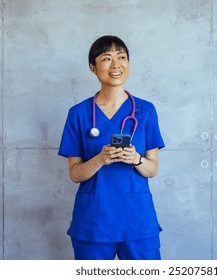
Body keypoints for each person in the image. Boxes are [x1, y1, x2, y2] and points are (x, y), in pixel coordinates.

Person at [58, 35, 165, 260]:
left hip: (137, 220)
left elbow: (152, 170)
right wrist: (100, 159)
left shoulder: (145, 111)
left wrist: (136, 159)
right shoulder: (78, 114)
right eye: (107, 58)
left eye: (122, 57)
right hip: (94, 221)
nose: (116, 65)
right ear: (93, 68)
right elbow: (75, 174)